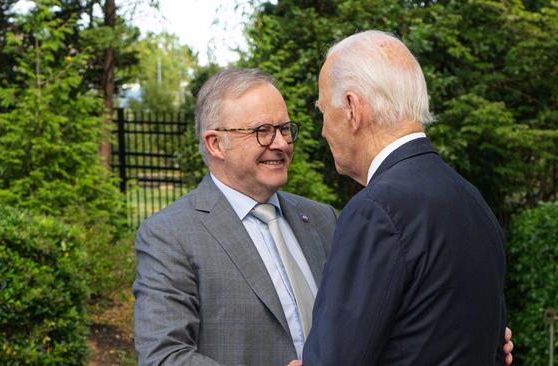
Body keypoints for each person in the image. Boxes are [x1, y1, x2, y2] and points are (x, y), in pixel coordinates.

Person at [301, 30, 509, 365]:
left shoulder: (376, 210)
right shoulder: (473, 201)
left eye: (324, 110)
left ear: (353, 108)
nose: (323, 128)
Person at [132, 68, 338, 365]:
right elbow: (164, 356)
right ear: (216, 143)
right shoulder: (170, 235)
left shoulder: (322, 220)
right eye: (262, 131)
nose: (280, 144)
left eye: (284, 129)